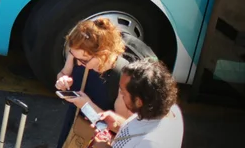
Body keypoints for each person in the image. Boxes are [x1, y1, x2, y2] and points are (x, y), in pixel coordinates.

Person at [55, 18, 131, 148]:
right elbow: (63, 73)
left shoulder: (121, 78)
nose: (78, 63)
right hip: (74, 127)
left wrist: (86, 105)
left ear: (103, 54)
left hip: (99, 140)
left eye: (83, 60)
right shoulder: (78, 54)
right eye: (73, 56)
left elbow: (122, 129)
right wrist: (62, 81)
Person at [93, 59, 184, 148]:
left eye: (123, 92)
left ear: (138, 102)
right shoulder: (171, 110)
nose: (120, 94)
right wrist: (117, 123)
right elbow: (138, 131)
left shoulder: (152, 143)